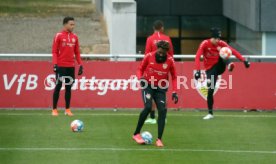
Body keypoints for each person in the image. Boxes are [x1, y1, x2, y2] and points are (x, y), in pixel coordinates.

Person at [194, 28, 250, 120]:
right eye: (216, 38)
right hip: (210, 70)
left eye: (219, 38)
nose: (218, 40)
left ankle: (229, 64)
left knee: (224, 51)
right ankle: (210, 113)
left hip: (220, 66)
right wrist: (197, 71)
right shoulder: (205, 43)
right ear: (212, 38)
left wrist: (244, 61)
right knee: (210, 91)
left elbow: (233, 51)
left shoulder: (221, 44)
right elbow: (197, 56)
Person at [132, 41, 179, 147]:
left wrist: (175, 91)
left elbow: (174, 77)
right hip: (148, 85)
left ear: (167, 52)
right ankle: (136, 134)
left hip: (161, 88)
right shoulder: (149, 56)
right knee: (148, 107)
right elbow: (140, 69)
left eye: (164, 53)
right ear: (157, 49)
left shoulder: (170, 60)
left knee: (162, 110)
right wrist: (141, 79)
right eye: (160, 52)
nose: (161, 54)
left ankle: (159, 139)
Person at [51, 16, 83, 116]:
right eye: (71, 24)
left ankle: (67, 109)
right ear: (65, 24)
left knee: (69, 88)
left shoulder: (75, 37)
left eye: (74, 24)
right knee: (58, 86)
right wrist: (55, 64)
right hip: (61, 66)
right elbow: (54, 51)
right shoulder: (58, 35)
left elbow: (77, 52)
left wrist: (80, 64)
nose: (73, 26)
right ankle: (54, 109)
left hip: (71, 67)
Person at [144, 20, 174, 124]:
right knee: (162, 95)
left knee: (150, 95)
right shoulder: (167, 39)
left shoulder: (150, 39)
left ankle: (152, 118)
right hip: (164, 72)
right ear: (162, 28)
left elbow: (147, 55)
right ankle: (163, 117)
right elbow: (171, 55)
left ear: (154, 28)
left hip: (152, 72)